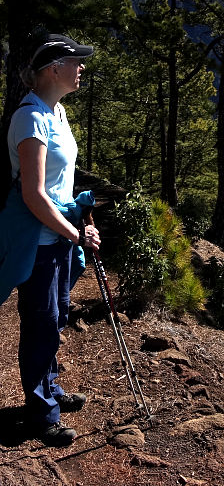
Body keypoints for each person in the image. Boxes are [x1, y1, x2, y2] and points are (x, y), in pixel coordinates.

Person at [3, 33, 100, 446]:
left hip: (59, 234)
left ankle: (51, 387)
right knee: (41, 324)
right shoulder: (31, 118)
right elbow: (34, 194)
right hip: (41, 241)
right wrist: (74, 232)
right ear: (51, 69)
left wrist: (79, 222)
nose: (81, 67)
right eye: (74, 60)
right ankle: (42, 414)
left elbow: (60, 185)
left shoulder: (56, 113)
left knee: (57, 315)